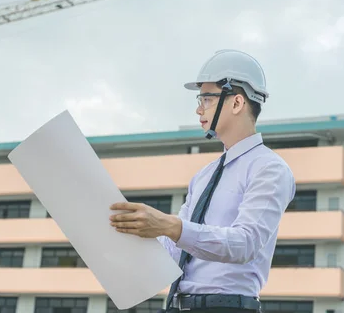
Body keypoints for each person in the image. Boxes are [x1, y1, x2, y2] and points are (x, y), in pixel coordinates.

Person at [110, 49, 296, 313]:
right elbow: (176, 250)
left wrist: (169, 225)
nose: (199, 109)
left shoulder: (270, 169)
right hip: (178, 306)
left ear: (236, 103)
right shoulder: (203, 176)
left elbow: (246, 243)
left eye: (207, 99)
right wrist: (127, 232)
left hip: (227, 308)